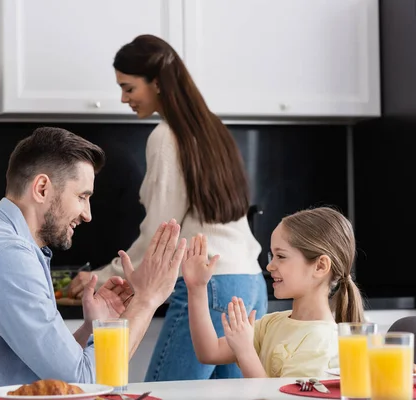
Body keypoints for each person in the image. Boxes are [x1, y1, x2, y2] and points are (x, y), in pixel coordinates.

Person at [0, 127, 187, 400]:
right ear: (42, 188)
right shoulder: (5, 256)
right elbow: (85, 384)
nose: (87, 214)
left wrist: (94, 327)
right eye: (82, 196)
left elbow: (57, 372)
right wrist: (147, 300)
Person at [67, 34, 268, 382]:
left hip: (210, 285)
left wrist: (98, 277)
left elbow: (163, 233)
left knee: (164, 393)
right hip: (249, 282)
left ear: (156, 83)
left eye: (129, 88)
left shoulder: (165, 136)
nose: (123, 98)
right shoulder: (212, 129)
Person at [184, 207, 364, 378]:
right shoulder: (271, 324)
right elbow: (210, 352)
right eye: (272, 256)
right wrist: (197, 289)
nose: (270, 266)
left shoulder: (322, 341)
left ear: (320, 266)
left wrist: (245, 350)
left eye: (281, 256)